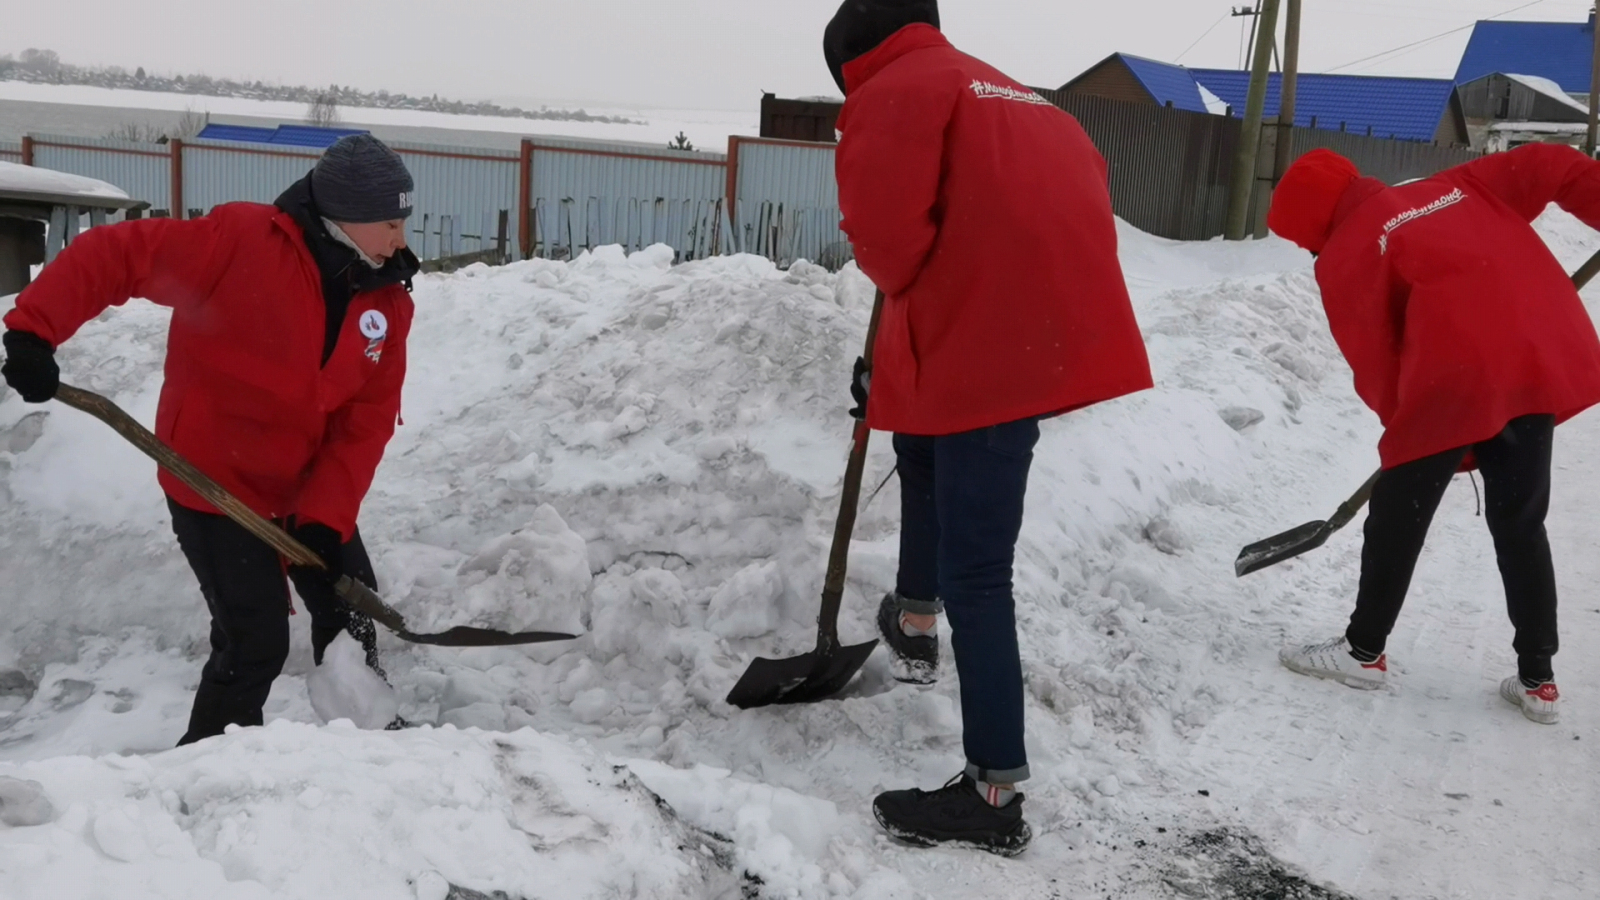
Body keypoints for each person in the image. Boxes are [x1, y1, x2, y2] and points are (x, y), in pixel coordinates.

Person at [825, 0, 1153, 855]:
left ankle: (994, 793)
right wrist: (894, 369)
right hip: (1031, 338)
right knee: (919, 451)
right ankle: (916, 618)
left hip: (987, 357)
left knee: (981, 572)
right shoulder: (1022, 97)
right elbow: (988, 237)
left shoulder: (895, 92)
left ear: (852, 59)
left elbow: (892, 252)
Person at [1, 134, 421, 745]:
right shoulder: (239, 242)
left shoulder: (385, 299)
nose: (401, 241)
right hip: (212, 480)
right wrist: (34, 332)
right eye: (390, 223)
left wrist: (325, 517)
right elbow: (116, 254)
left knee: (350, 608)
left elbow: (366, 421)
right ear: (346, 216)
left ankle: (367, 737)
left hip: (304, 484)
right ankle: (207, 766)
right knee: (255, 639)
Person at [1270, 145, 1600, 726]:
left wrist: (1410, 432)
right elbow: (1556, 165)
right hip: (1532, 366)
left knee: (1398, 518)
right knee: (1521, 524)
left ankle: (1363, 651)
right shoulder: (1460, 184)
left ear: (1311, 227)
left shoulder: (1345, 254)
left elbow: (1374, 357)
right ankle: (1538, 680)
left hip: (1452, 381)